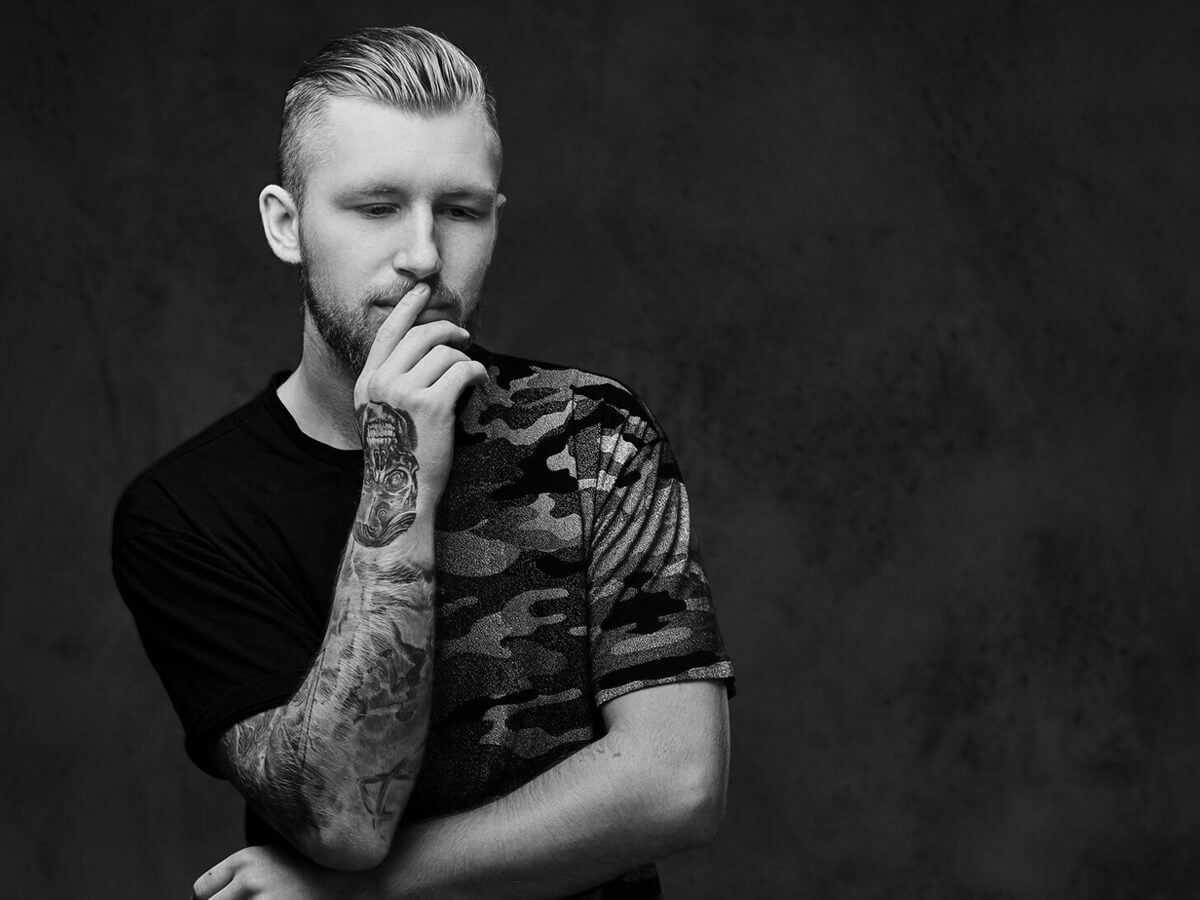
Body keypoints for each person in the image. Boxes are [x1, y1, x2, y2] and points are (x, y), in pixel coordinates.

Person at [113, 25, 734, 900]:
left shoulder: (594, 433)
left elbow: (678, 787)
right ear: (287, 225)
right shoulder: (188, 512)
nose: (423, 256)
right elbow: (342, 818)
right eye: (375, 208)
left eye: (461, 210)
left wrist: (352, 897)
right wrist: (398, 467)